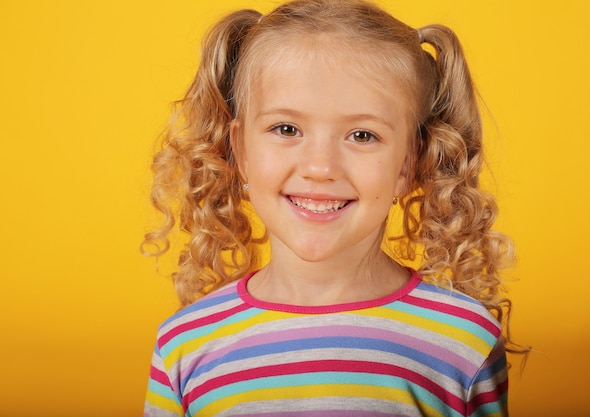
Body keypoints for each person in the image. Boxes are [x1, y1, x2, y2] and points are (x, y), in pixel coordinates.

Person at [142, 0, 527, 415]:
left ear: (407, 164)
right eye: (286, 129)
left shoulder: (464, 341)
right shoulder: (184, 345)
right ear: (241, 152)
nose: (320, 168)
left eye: (362, 135)